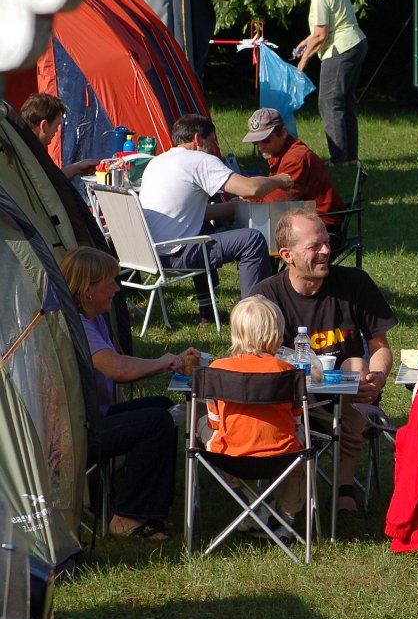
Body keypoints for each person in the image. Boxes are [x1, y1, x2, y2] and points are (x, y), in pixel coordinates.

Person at [250, 209, 395, 514]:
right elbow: (254, 359)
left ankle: (344, 488)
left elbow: (380, 346)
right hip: (290, 403)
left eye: (327, 243)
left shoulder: (354, 284)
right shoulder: (266, 296)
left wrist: (378, 376)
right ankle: (286, 497)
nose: (327, 251)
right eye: (315, 246)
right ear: (288, 255)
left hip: (349, 397)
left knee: (356, 366)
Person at [60, 247, 199, 540]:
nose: (117, 288)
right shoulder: (79, 326)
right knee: (156, 422)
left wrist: (166, 363)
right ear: (88, 290)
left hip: (93, 416)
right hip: (75, 431)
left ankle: (151, 510)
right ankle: (126, 517)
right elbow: (117, 369)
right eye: (111, 281)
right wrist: (164, 362)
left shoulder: (93, 317)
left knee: (162, 408)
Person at [138, 114, 295, 324]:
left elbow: (187, 214)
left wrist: (233, 208)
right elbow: (251, 189)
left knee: (201, 228)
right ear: (197, 139)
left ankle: (207, 311)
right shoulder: (200, 160)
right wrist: (279, 179)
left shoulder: (157, 161)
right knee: (252, 240)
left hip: (151, 252)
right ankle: (253, 317)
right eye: (212, 142)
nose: (214, 148)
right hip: (178, 253)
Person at [204, 295, 305, 533]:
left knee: (203, 427)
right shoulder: (287, 371)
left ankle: (252, 501)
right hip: (282, 455)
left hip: (231, 454)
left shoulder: (217, 369)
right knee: (302, 454)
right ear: (276, 336)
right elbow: (296, 421)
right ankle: (284, 520)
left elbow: (214, 420)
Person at [282, 0, 367, 166]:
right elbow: (327, 26)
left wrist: (303, 62)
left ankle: (339, 159)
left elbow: (322, 34)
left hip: (340, 49)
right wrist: (306, 41)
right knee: (345, 104)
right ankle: (350, 158)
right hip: (355, 43)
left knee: (329, 103)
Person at [241, 107, 345, 224]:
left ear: (283, 133)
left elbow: (274, 204)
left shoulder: (295, 159)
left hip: (321, 223)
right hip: (304, 216)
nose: (261, 147)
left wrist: (246, 200)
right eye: (255, 142)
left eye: (266, 140)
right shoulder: (281, 152)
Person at [20, 93, 99, 179]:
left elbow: (51, 179)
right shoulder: (29, 156)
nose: (57, 130)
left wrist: (77, 168)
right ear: (44, 125)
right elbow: (48, 184)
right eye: (56, 125)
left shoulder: (22, 144)